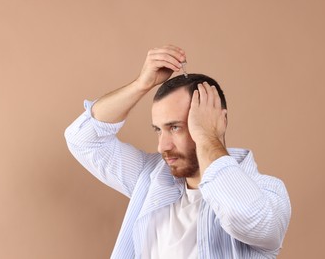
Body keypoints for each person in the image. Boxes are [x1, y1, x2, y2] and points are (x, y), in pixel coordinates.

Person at [64, 45, 291, 258]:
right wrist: (141, 84)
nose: (163, 146)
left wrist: (207, 137)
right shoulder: (151, 179)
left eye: (175, 127)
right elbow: (83, 140)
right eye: (158, 130)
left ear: (219, 121)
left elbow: (246, 217)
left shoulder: (268, 194)